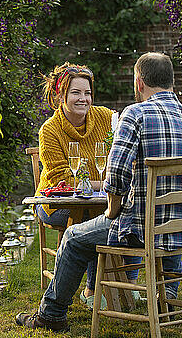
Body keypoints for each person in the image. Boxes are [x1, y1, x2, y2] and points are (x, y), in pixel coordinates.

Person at [16, 52, 182, 332]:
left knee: (73, 236)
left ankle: (51, 315)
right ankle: (168, 300)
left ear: (139, 82)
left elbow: (116, 175)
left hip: (141, 228)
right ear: (171, 81)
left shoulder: (135, 114)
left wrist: (112, 210)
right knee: (147, 219)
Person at [35, 62, 114, 308]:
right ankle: (92, 289)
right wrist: (106, 183)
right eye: (76, 93)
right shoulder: (50, 130)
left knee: (113, 215)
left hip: (100, 200)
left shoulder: (106, 118)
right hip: (55, 204)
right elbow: (65, 181)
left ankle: (116, 285)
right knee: (93, 219)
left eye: (87, 93)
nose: (83, 99)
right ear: (61, 95)